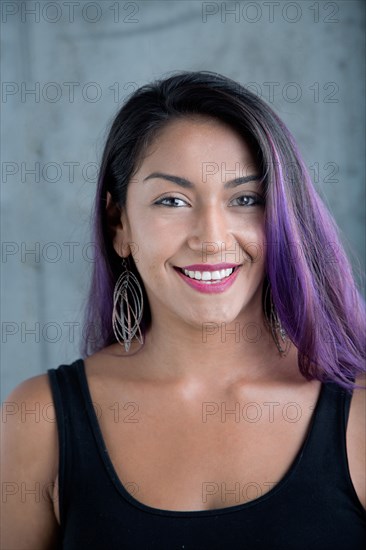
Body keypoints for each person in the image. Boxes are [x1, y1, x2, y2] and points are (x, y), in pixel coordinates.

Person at [1, 71, 365, 549]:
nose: (211, 238)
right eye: (172, 200)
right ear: (119, 225)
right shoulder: (37, 419)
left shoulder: (359, 414)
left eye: (245, 199)